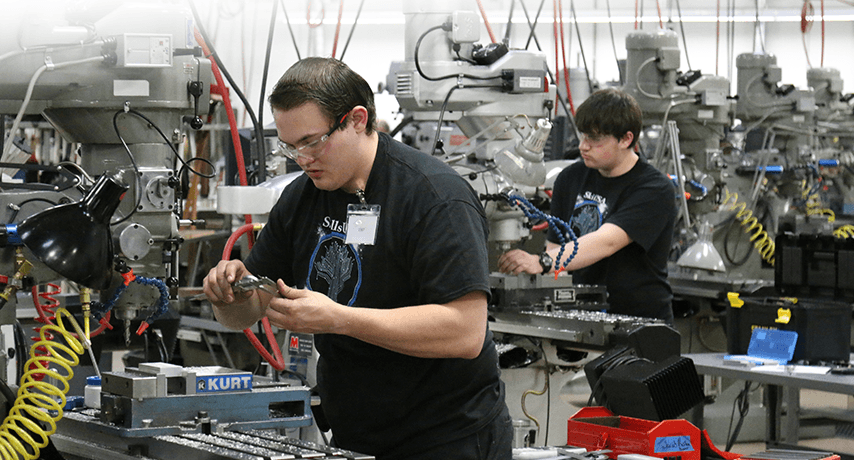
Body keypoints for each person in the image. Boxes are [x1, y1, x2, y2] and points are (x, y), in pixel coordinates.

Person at [203, 57, 511, 460]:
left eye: (312, 142)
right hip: (356, 435)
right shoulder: (301, 198)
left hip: (446, 437)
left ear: (357, 120)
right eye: (290, 146)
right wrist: (228, 295)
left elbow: (465, 332)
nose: (302, 158)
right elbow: (247, 312)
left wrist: (338, 319)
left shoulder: (435, 197)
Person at [497, 88, 677, 322]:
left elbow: (608, 241)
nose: (583, 146)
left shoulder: (654, 188)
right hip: (582, 317)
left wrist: (541, 262)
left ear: (626, 139)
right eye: (583, 136)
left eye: (594, 139)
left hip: (639, 322)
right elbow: (555, 249)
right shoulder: (570, 178)